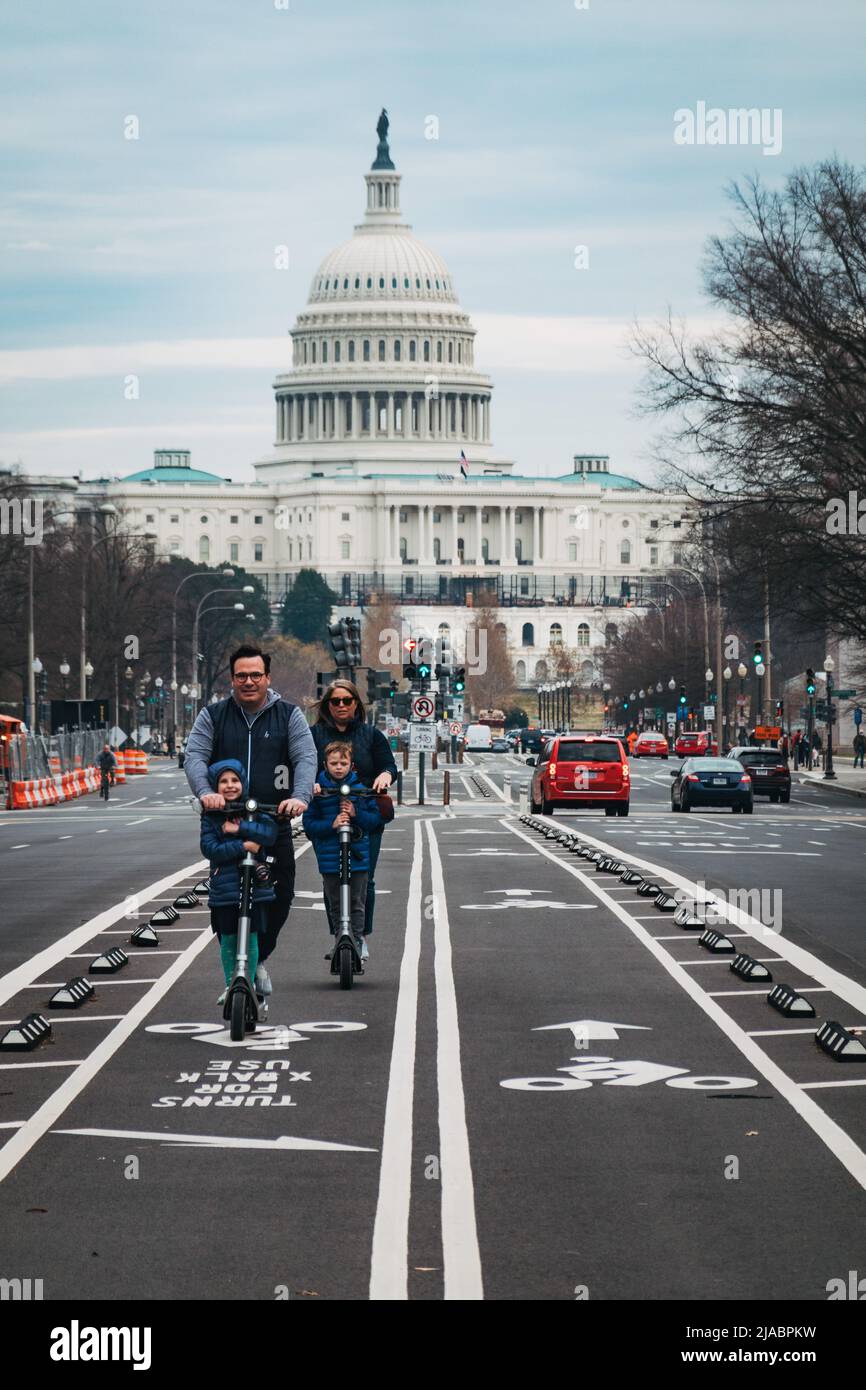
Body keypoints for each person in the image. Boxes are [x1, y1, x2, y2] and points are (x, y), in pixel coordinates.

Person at [184, 644, 317, 998]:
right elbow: (194, 755)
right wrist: (204, 792)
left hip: (274, 821)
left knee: (281, 894)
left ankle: (258, 958)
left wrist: (300, 796)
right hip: (225, 824)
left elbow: (305, 757)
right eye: (241, 675)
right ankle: (237, 966)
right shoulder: (212, 716)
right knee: (225, 901)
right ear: (232, 679)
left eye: (255, 675)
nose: (248, 681)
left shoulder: (289, 715)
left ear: (267, 678)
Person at [310, 678, 397, 939]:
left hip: (365, 814)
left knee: (364, 879)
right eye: (335, 701)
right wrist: (309, 784)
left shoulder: (371, 735)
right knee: (331, 880)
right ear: (327, 705)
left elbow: (389, 766)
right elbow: (299, 764)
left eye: (347, 700)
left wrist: (385, 776)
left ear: (356, 704)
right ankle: (339, 936)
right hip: (326, 815)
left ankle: (360, 936)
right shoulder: (314, 735)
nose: (341, 705)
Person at [200, 760, 277, 1005]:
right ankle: (229, 983)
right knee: (228, 938)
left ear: (243, 783)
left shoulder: (255, 810)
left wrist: (240, 827)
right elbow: (210, 848)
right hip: (225, 889)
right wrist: (243, 845)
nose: (230, 786)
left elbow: (269, 834)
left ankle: (250, 981)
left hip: (254, 888)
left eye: (235, 780)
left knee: (252, 937)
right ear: (215, 786)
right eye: (223, 781)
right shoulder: (211, 817)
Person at [302, 741, 382, 962]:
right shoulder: (318, 791)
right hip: (330, 858)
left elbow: (374, 820)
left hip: (357, 856)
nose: (338, 767)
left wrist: (356, 813)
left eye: (343, 763)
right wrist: (332, 823)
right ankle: (339, 938)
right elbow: (309, 825)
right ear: (325, 764)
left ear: (351, 765)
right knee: (335, 902)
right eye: (334, 763)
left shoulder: (360, 789)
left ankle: (356, 940)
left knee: (357, 901)